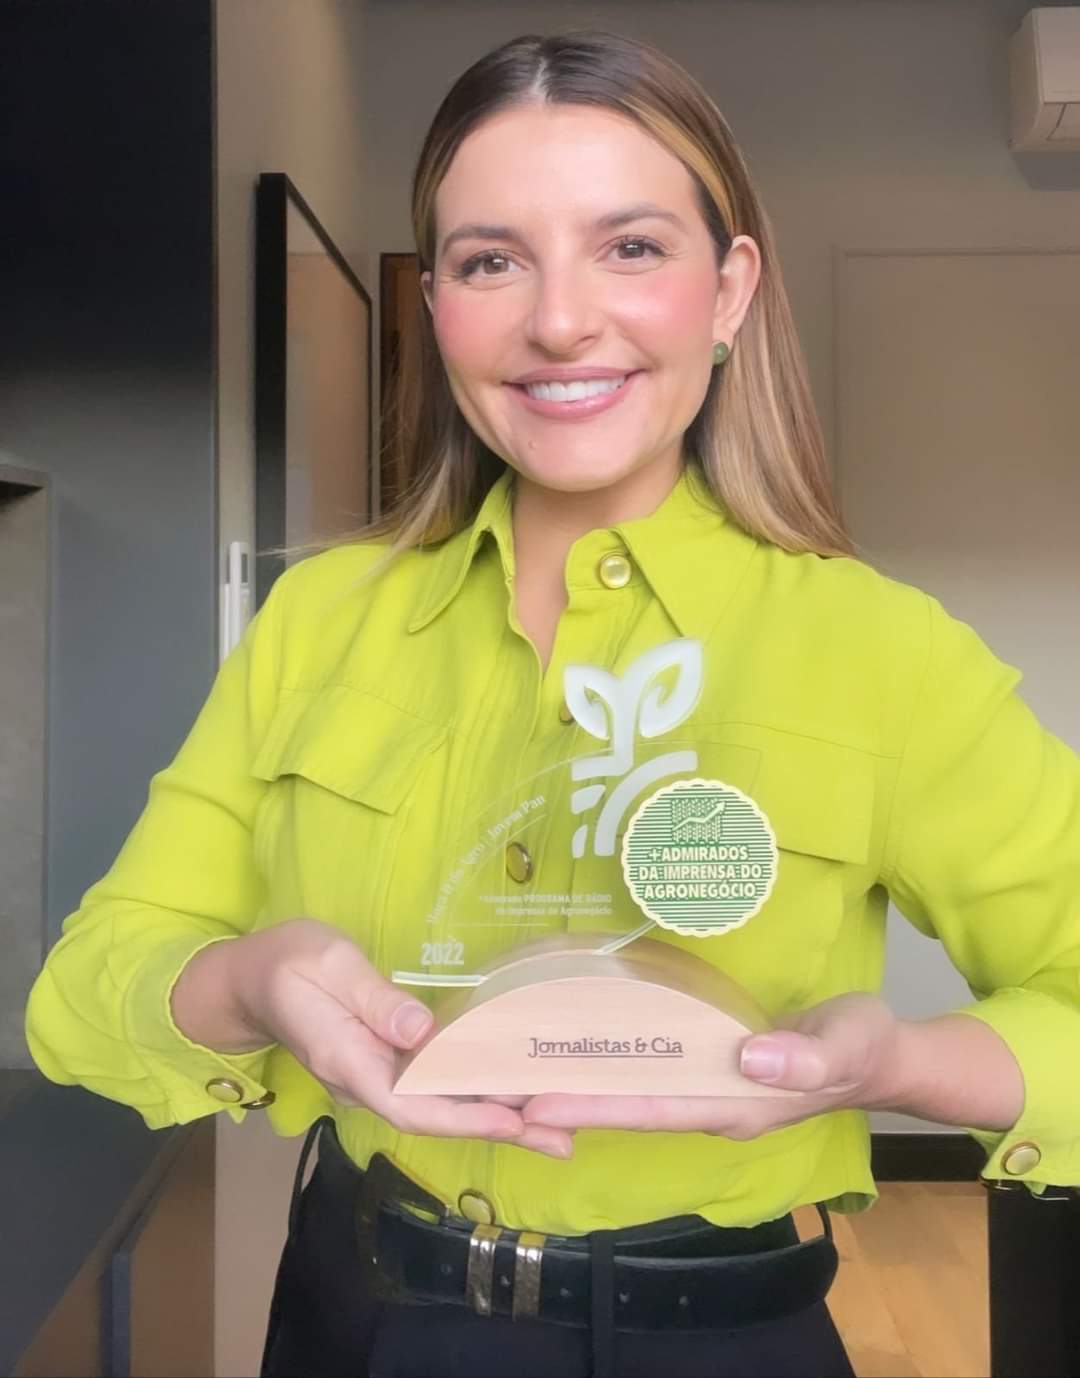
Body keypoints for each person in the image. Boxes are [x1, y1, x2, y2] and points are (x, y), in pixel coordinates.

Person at [24, 28, 1080, 1378]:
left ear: (729, 290)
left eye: (630, 246)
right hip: (354, 1318)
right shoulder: (319, 620)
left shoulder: (886, 654)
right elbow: (84, 995)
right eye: (491, 260)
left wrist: (903, 1066)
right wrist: (251, 980)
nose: (561, 320)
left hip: (718, 1340)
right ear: (436, 305)